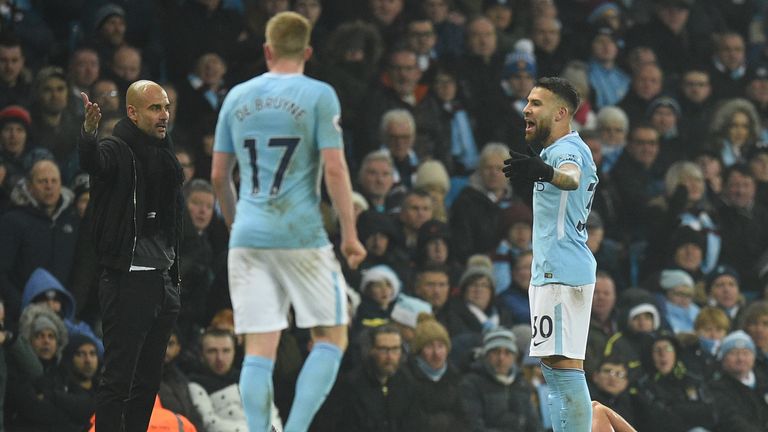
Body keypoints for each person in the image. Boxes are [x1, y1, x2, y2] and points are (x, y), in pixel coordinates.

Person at [209, 12, 366, 432]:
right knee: (332, 335)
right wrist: (350, 234)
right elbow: (335, 169)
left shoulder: (237, 97)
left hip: (248, 234)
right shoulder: (319, 95)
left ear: (267, 50)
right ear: (308, 52)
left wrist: (234, 225)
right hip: (300, 234)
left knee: (259, 349)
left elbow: (218, 177)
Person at [78, 79, 184, 432]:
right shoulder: (116, 148)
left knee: (148, 382)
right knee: (119, 380)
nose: (164, 115)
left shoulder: (164, 150)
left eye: (166, 107)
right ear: (132, 112)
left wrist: (172, 278)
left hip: (162, 278)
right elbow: (95, 163)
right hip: (129, 278)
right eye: (155, 108)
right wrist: (89, 134)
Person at [503, 77, 599, 431]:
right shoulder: (558, 150)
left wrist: (544, 171)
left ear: (561, 113)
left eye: (536, 103)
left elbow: (570, 177)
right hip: (561, 269)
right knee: (556, 367)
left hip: (559, 272)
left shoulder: (565, 152)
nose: (526, 109)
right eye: (527, 102)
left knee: (562, 369)